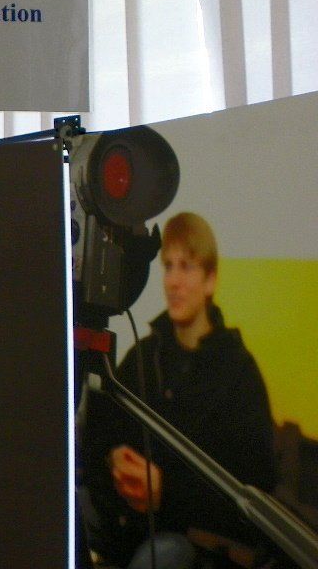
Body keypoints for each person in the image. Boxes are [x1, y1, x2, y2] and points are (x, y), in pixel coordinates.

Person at [83, 212, 277, 568]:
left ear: (210, 280)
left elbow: (255, 492)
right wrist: (114, 461)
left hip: (189, 539)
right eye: (168, 267)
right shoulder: (144, 356)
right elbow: (98, 433)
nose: (173, 281)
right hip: (124, 522)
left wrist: (165, 491)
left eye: (186, 267)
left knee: (164, 557)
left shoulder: (238, 373)